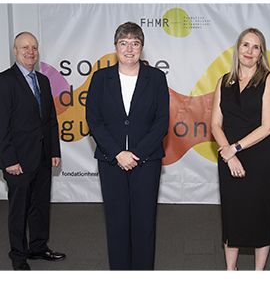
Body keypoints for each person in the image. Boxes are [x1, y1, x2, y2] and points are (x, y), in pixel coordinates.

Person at [86, 22, 169, 270]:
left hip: (147, 162)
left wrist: (136, 154)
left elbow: (161, 122)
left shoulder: (156, 78)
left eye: (135, 43)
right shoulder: (101, 78)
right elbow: (94, 120)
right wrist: (118, 153)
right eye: (124, 43)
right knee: (116, 223)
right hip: (111, 162)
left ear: (142, 48)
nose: (129, 48)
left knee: (145, 224)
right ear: (116, 47)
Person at [211, 28, 270, 270]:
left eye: (256, 47)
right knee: (232, 214)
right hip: (228, 157)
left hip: (257, 158)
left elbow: (267, 127)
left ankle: (258, 272)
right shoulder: (224, 81)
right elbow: (215, 124)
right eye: (245, 45)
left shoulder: (268, 80)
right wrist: (228, 154)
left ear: (261, 53)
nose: (249, 51)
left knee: (259, 214)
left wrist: (235, 148)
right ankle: (231, 269)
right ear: (237, 48)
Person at [0, 32, 66, 270]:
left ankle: (38, 247)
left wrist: (54, 150)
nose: (31, 51)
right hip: (17, 160)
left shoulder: (43, 80)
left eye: (34, 47)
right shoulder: (5, 81)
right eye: (25, 47)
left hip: (42, 157)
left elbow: (49, 120)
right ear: (15, 51)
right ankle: (18, 255)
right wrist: (8, 159)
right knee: (18, 210)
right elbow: (1, 124)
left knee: (40, 206)